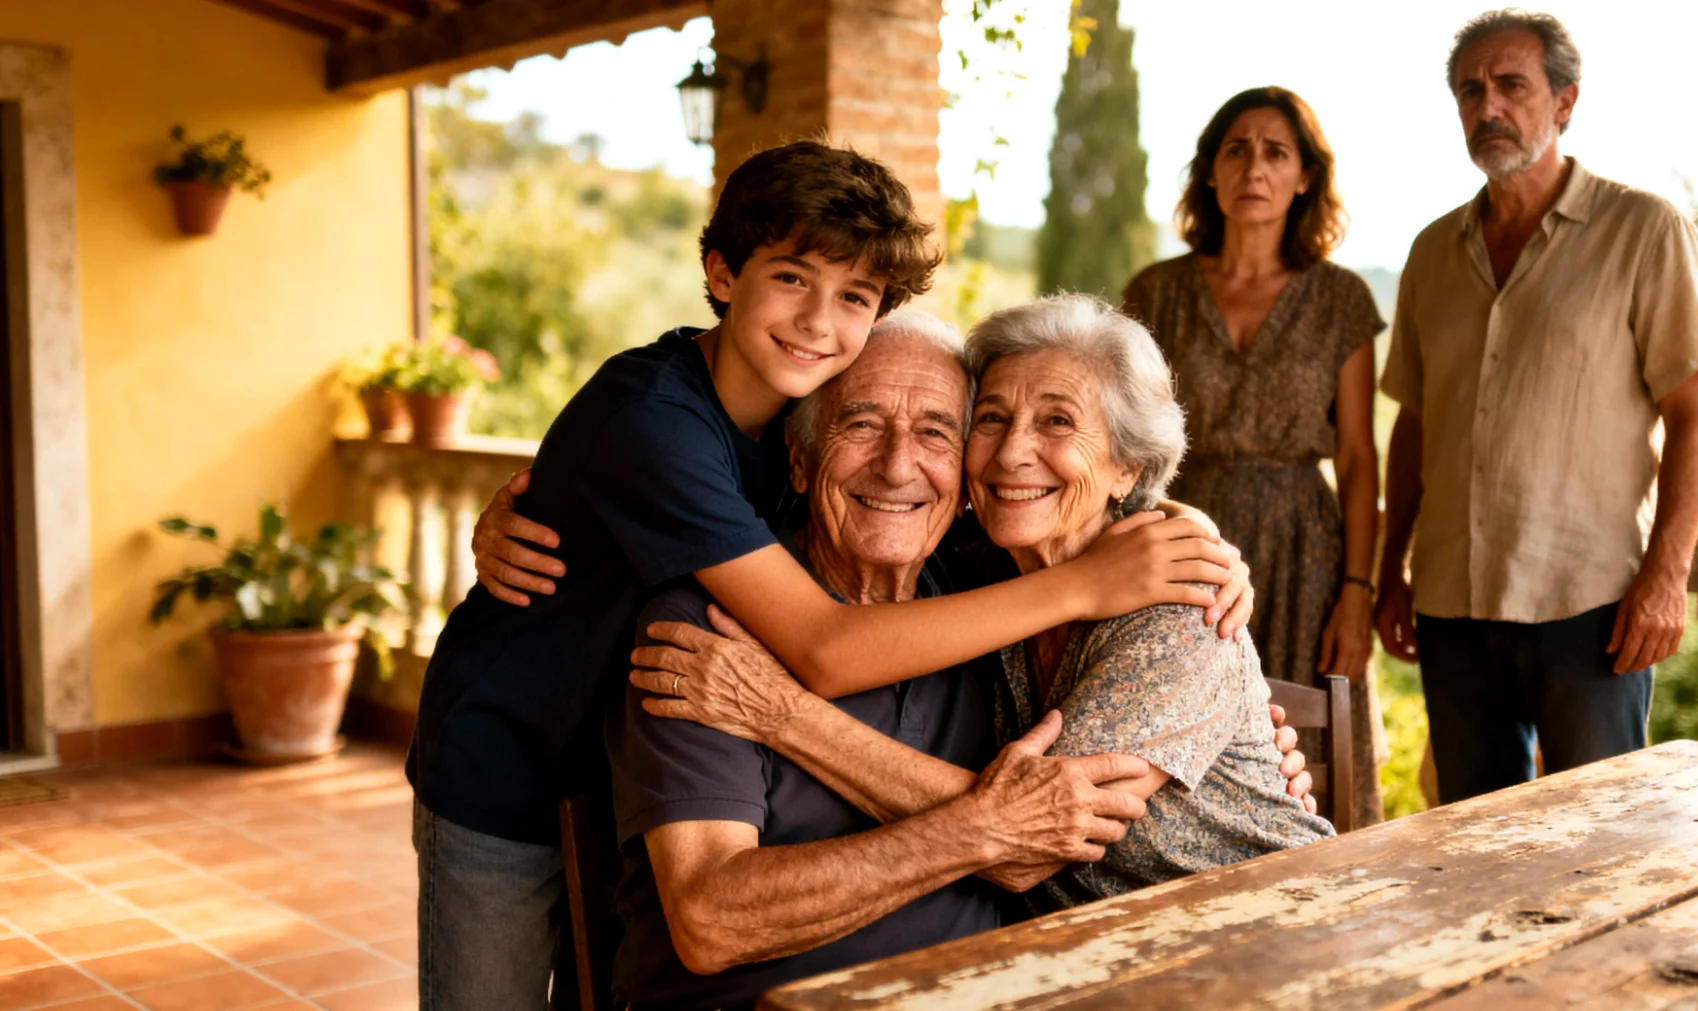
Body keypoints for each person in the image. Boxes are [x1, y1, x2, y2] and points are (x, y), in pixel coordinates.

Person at [408, 141, 1249, 1009]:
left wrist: (1171, 522)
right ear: (722, 273)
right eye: (792, 278)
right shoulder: (656, 428)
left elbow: (1056, 509)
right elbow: (823, 644)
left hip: (638, 757)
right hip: (505, 758)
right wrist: (1082, 589)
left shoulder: (886, 513)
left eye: (854, 297)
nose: (818, 321)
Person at [636, 296, 1334, 914]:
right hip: (1091, 967)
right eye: (991, 419)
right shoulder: (972, 571)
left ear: (1130, 466)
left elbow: (1034, 841)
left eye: (1058, 421)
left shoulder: (1181, 612)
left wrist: (782, 714)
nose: (1011, 454)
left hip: (1264, 930)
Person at [1372, 10, 1698, 804]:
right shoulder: (1432, 251)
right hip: (1450, 604)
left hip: (1591, 603)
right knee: (1467, 843)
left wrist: (1667, 577)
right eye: (1470, 90)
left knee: (1597, 840)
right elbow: (1418, 422)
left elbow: (1697, 414)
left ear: (1564, 103)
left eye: (1511, 86)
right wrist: (1390, 570)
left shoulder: (1644, 231)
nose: (1488, 107)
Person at [1121, 86, 1386, 827]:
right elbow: (1121, 436)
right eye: (1236, 149)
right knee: (1172, 741)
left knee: (1307, 743)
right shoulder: (1156, 293)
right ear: (1210, 171)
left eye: (1277, 152)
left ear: (1305, 176)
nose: (1254, 167)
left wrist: (1359, 589)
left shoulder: (1340, 299)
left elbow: (1361, 458)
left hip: (1306, 547)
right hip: (1182, 541)